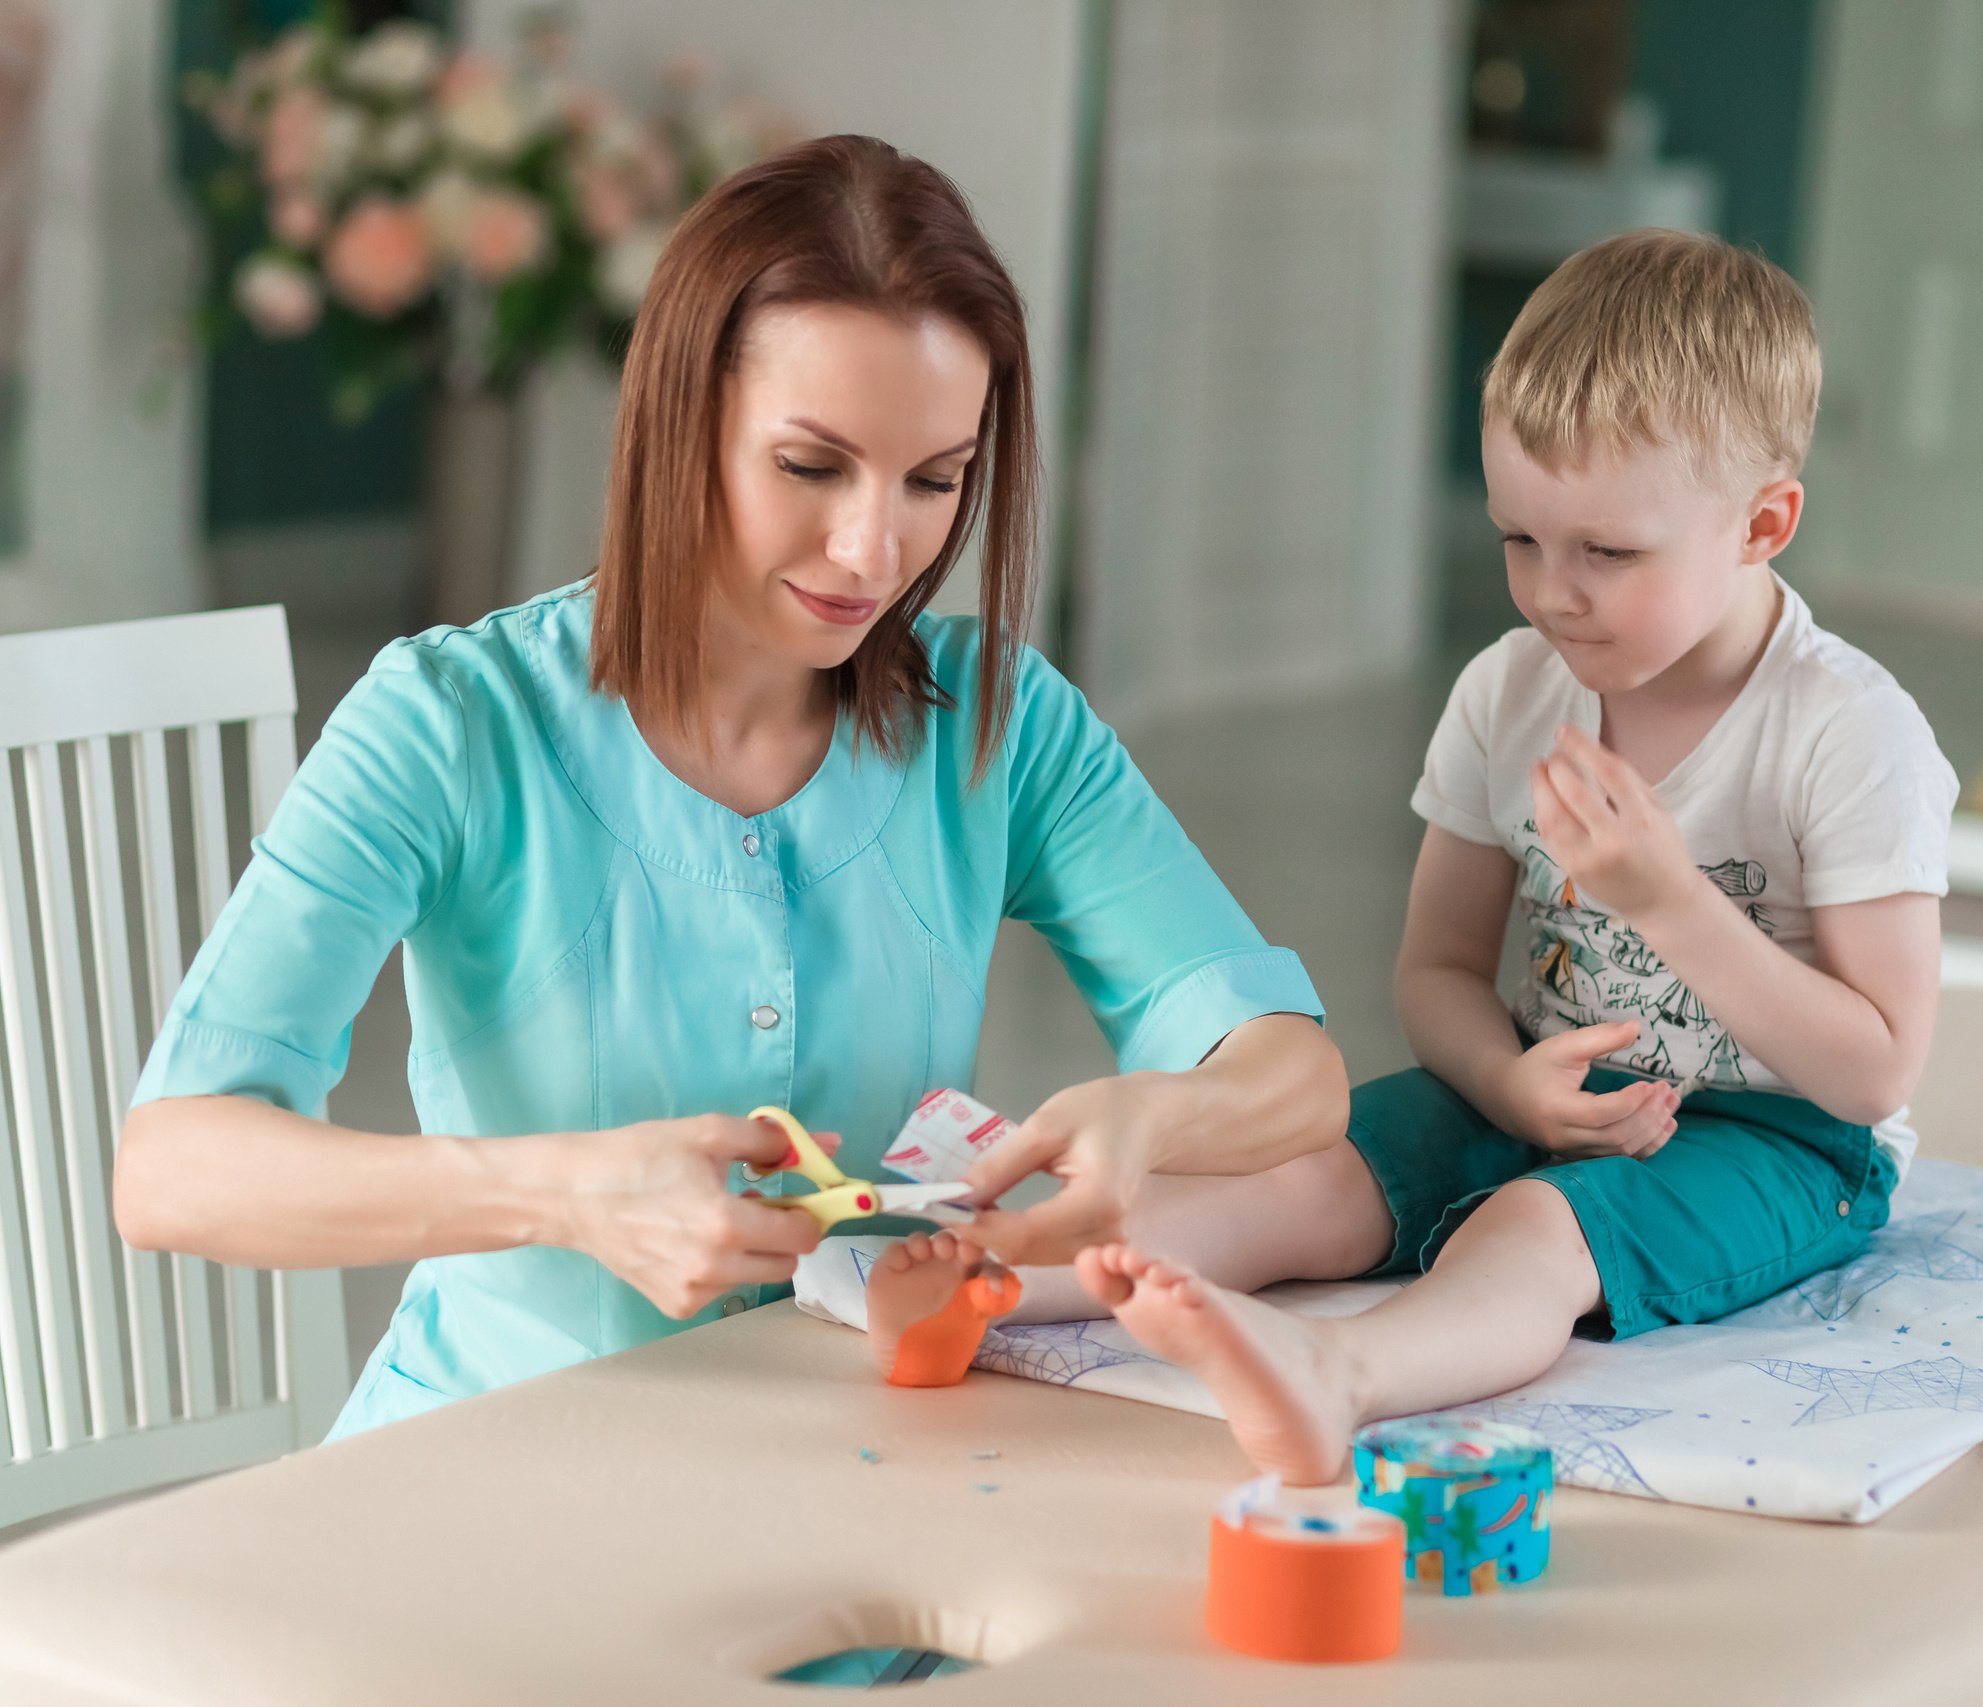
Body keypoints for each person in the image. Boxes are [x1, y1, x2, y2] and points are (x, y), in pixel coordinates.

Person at [113, 134, 1348, 1440]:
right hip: (492, 1457)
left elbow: (1295, 1074)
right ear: (678, 423)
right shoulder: (449, 721)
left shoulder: (999, 719)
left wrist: (1160, 1110)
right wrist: (570, 1193)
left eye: (936, 479)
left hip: (858, 1448)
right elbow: (174, 1167)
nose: (874, 548)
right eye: (810, 465)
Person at [1052, 229, 1958, 1482]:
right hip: (1535, 1087)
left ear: (1762, 523)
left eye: (1607, 553)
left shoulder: (1847, 732)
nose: (1551, 594)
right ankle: (1002, 1279)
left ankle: (1337, 1374)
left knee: (1540, 1225)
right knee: (1314, 1172)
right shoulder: (1511, 691)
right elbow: (1435, 966)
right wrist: (1503, 1085)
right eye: (1518, 540)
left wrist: (1669, 901)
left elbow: (1873, 1072)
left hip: (1782, 1138)